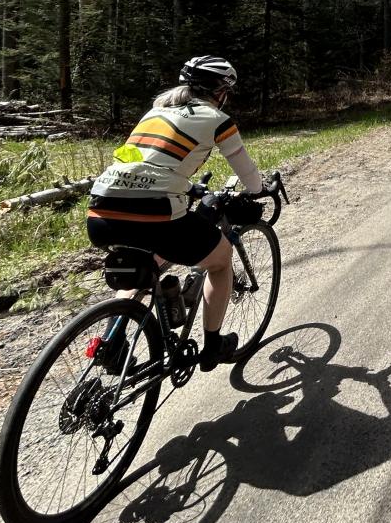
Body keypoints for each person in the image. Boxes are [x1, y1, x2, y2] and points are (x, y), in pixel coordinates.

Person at [87, 55, 264, 369]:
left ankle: (112, 341)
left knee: (146, 265)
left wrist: (188, 187)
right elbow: (247, 174)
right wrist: (259, 190)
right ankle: (213, 346)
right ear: (221, 90)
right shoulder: (216, 118)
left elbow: (151, 163)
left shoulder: (154, 113)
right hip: (155, 214)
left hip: (101, 209)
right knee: (221, 261)